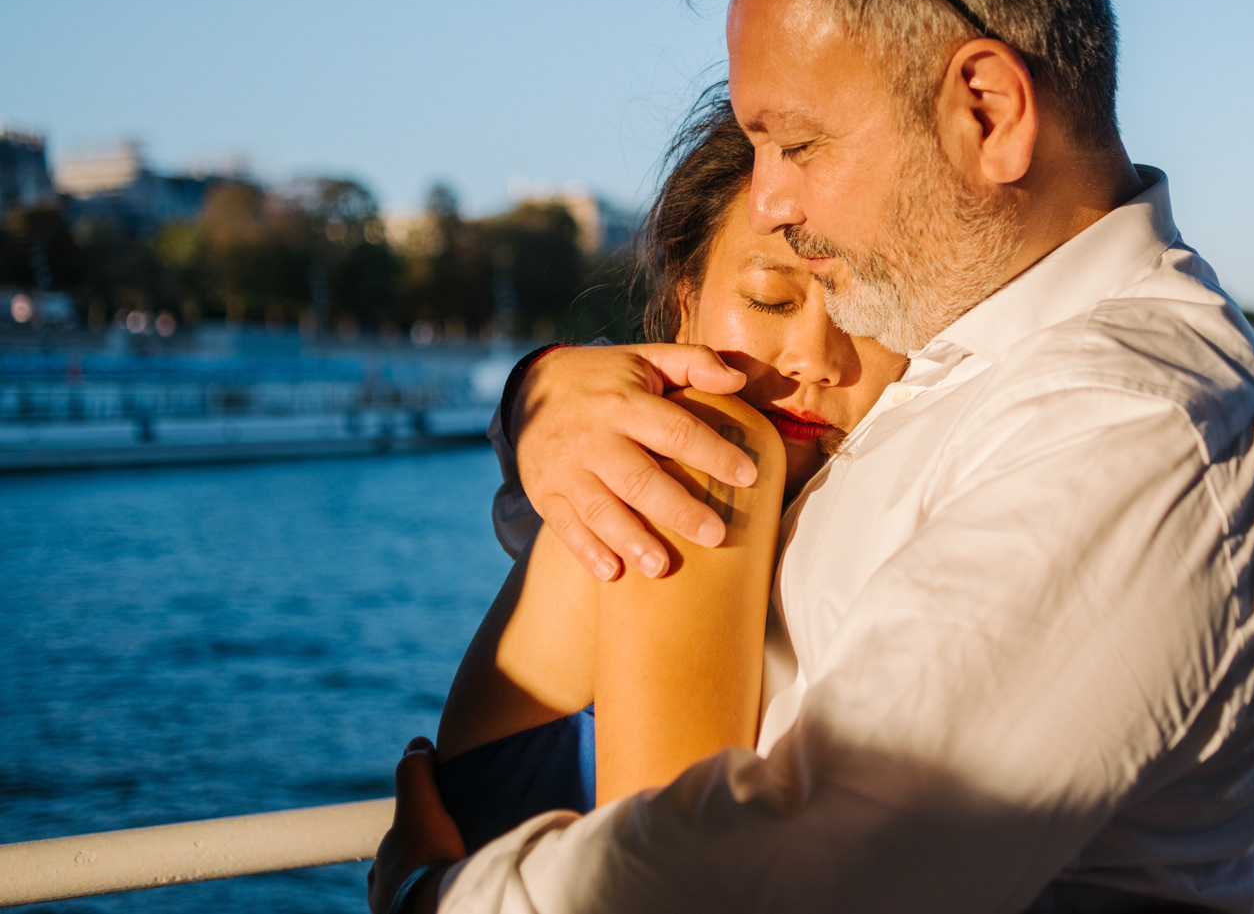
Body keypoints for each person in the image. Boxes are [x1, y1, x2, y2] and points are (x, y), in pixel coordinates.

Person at [377, 0, 1254, 914]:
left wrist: (439, 901)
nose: (770, 197)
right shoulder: (958, 361)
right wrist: (539, 396)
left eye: (798, 143)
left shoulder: (1125, 423)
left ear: (986, 111)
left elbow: (821, 864)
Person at [371, 96, 904, 898]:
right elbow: (658, 889)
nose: (816, 358)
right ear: (684, 301)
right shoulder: (698, 455)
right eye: (770, 297)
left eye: (865, 311)